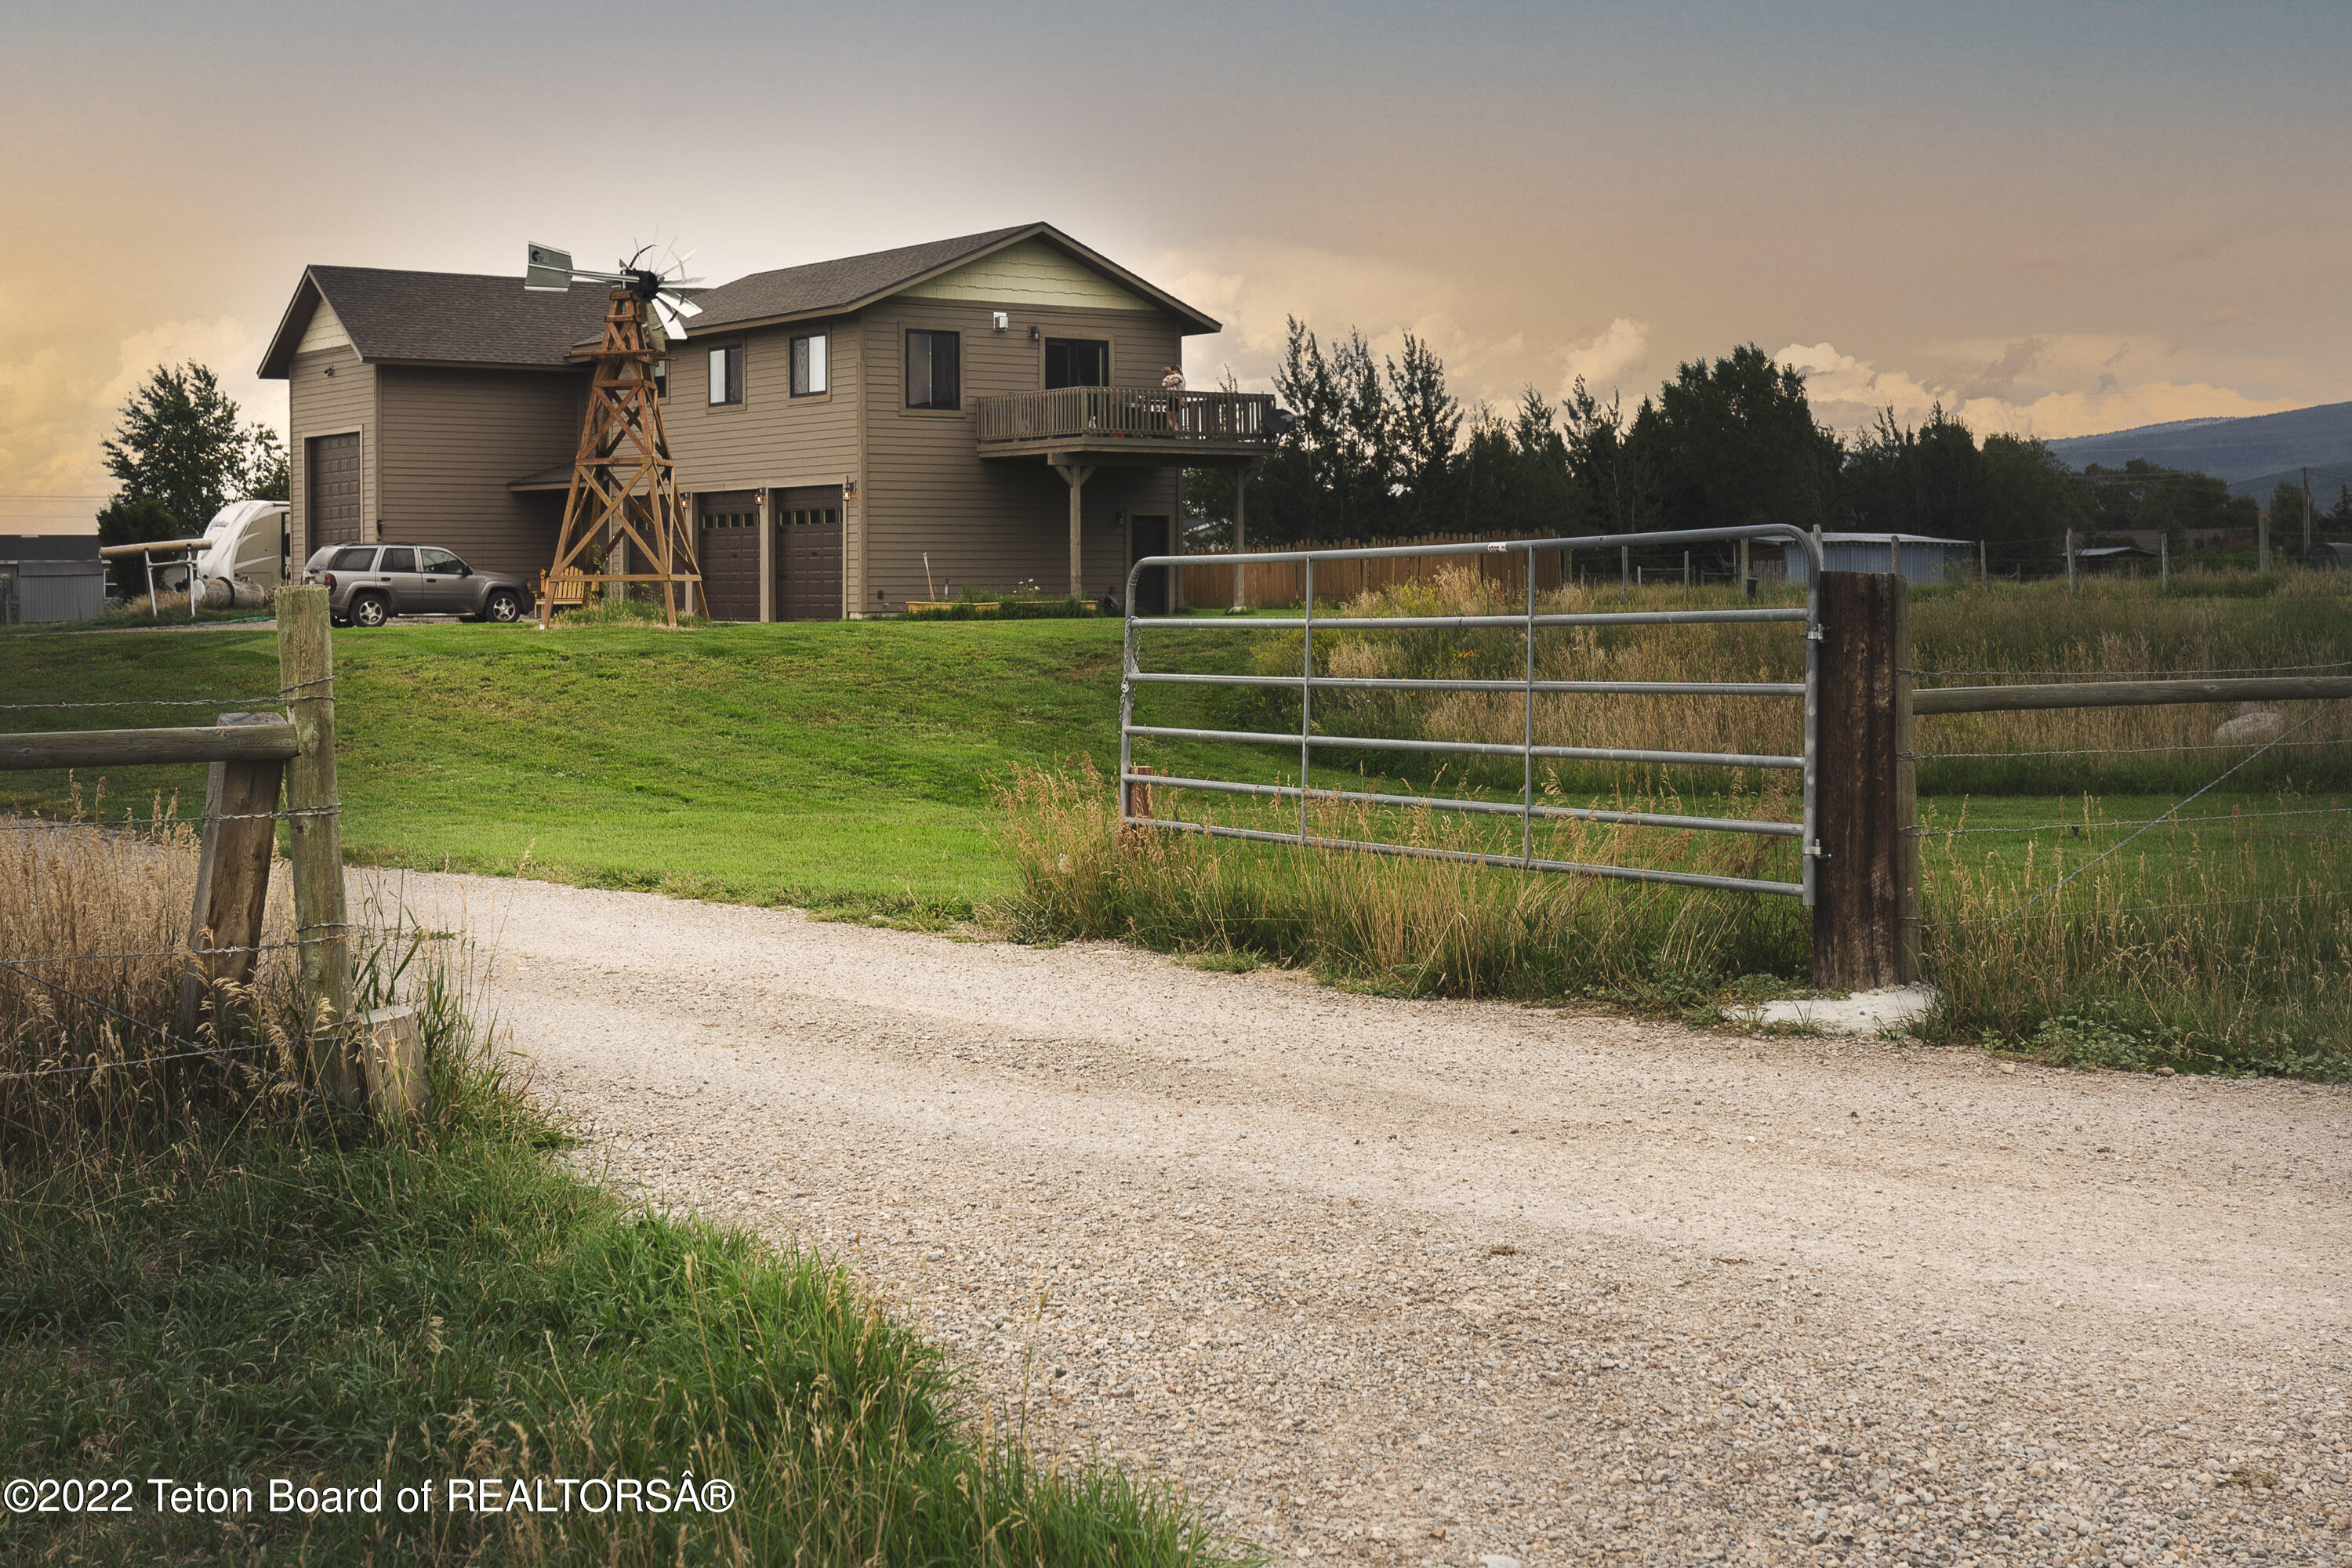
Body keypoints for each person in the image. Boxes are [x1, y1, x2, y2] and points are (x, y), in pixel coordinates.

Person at [1161, 365, 1185, 434]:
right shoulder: (1183, 378)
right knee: (1174, 420)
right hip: (1180, 399)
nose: (1171, 373)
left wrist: (1167, 385)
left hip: (1174, 398)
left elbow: (1175, 382)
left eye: (1172, 371)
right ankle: (1179, 435)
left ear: (1175, 371)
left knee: (1169, 419)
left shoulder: (1177, 376)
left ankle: (1177, 433)